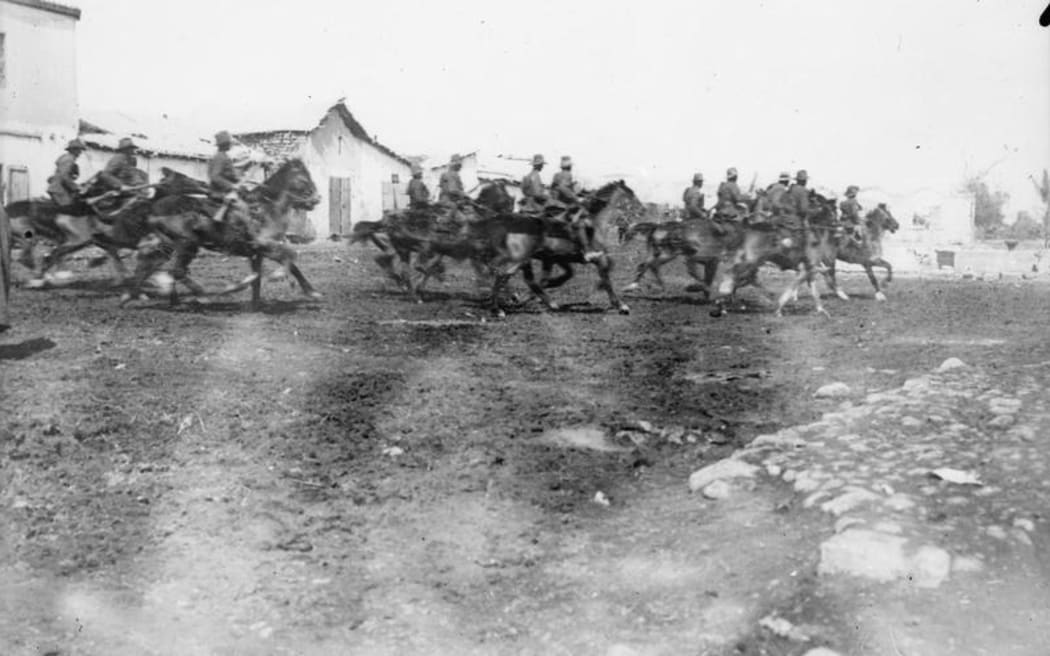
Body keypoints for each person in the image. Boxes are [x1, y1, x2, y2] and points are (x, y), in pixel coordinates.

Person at [551, 155, 600, 261]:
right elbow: (563, 188)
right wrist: (577, 199)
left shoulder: (556, 175)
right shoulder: (567, 175)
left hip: (554, 204)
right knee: (580, 221)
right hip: (562, 206)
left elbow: (558, 188)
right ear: (569, 167)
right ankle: (587, 251)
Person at [208, 130, 248, 224]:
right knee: (243, 207)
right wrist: (231, 186)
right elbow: (215, 176)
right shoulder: (220, 157)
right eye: (229, 143)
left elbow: (228, 174)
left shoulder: (224, 156)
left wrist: (238, 179)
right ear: (225, 144)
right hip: (220, 192)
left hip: (224, 190)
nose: (231, 145)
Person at [47, 139, 86, 208]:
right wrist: (75, 187)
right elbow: (64, 176)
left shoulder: (66, 158)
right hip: (59, 190)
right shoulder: (69, 159)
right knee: (68, 208)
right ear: (73, 150)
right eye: (79, 150)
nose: (80, 153)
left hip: (58, 188)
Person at [714, 167, 750, 233]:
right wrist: (747, 197)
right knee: (745, 209)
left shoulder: (722, 185)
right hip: (730, 210)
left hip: (720, 208)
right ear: (735, 177)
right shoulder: (733, 185)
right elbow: (737, 198)